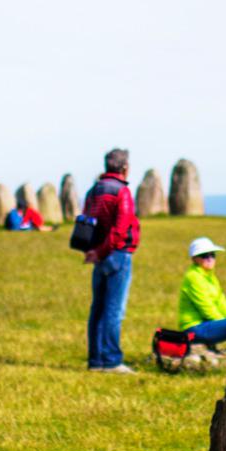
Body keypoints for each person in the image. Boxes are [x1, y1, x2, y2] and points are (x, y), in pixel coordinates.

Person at [78, 147, 140, 373]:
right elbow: (121, 229)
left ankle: (95, 360)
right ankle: (112, 360)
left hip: (98, 255)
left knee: (98, 309)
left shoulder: (94, 190)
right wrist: (103, 251)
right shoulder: (121, 192)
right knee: (114, 310)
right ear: (125, 167)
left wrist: (93, 251)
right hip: (117, 254)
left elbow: (86, 223)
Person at [176, 236, 226, 360]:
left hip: (206, 325)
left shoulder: (210, 276)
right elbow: (206, 308)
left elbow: (222, 303)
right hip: (194, 329)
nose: (210, 258)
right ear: (195, 259)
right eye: (204, 255)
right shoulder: (193, 277)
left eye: (212, 255)